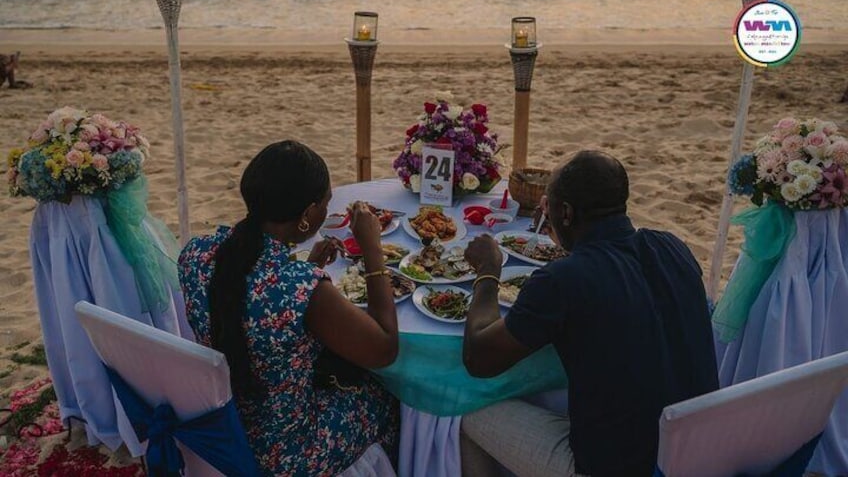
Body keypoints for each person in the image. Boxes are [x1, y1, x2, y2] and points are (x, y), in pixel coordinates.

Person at [461, 150, 718, 477]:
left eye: (548, 206)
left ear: (564, 212)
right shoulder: (672, 247)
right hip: (694, 452)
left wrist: (488, 271)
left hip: (617, 467)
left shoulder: (563, 280)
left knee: (462, 409)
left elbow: (478, 359)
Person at [178, 140, 399, 476]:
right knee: (392, 394)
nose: (328, 207)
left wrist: (306, 266)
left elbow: (245, 300)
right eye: (326, 202)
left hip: (223, 422)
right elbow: (384, 349)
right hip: (287, 452)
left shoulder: (195, 253)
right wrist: (372, 248)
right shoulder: (302, 288)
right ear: (309, 215)